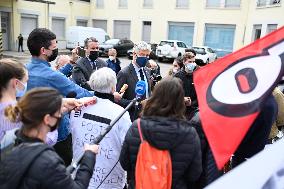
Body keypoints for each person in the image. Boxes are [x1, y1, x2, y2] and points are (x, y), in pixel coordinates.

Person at [0, 88, 99, 189]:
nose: (60, 117)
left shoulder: (8, 143)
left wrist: (60, 105)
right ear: (47, 119)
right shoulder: (48, 161)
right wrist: (89, 157)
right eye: (59, 115)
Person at [119, 77, 202, 189]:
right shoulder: (190, 133)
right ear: (180, 101)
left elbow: (125, 163)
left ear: (155, 97)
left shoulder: (137, 127)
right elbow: (194, 174)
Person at [26, 28, 93, 164]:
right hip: (58, 137)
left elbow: (54, 76)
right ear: (43, 50)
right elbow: (81, 93)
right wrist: (102, 92)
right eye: (54, 47)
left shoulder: (25, 69)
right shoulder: (52, 76)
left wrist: (71, 63)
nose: (56, 51)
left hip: (33, 133)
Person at [70, 67, 131, 188]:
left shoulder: (78, 105)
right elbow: (127, 146)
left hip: (80, 174)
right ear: (113, 88)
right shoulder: (120, 112)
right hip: (109, 179)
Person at [0, 59, 58, 148]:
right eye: (26, 81)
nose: (26, 84)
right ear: (15, 83)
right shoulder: (20, 111)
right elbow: (45, 140)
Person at [116, 41, 152, 121]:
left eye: (147, 55)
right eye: (143, 55)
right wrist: (138, 104)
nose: (145, 58)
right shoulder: (124, 73)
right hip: (131, 117)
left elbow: (148, 93)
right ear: (134, 54)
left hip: (146, 117)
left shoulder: (147, 71)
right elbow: (117, 99)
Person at [175, 52, 199, 119]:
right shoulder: (177, 76)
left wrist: (192, 103)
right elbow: (172, 94)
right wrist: (181, 100)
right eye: (190, 61)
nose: (192, 64)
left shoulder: (197, 76)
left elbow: (200, 94)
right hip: (179, 111)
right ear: (184, 62)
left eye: (193, 61)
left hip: (193, 111)